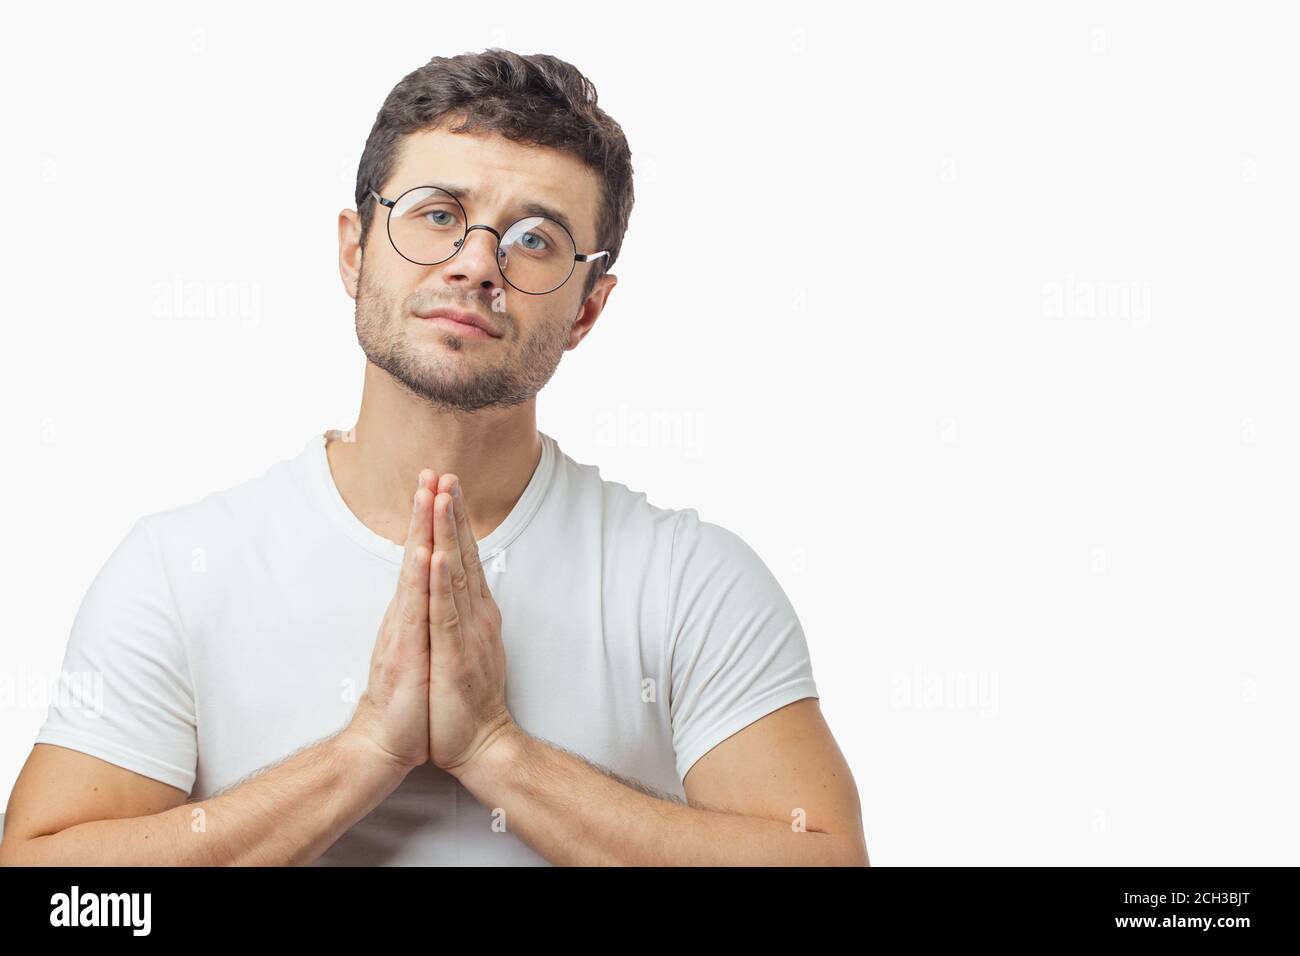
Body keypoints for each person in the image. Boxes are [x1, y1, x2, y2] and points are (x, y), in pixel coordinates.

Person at [0, 49, 868, 866]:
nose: (477, 264)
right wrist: (362, 754)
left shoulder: (691, 579)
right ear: (354, 248)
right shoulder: (177, 569)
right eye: (439, 215)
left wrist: (499, 753)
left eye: (535, 238)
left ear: (588, 311)